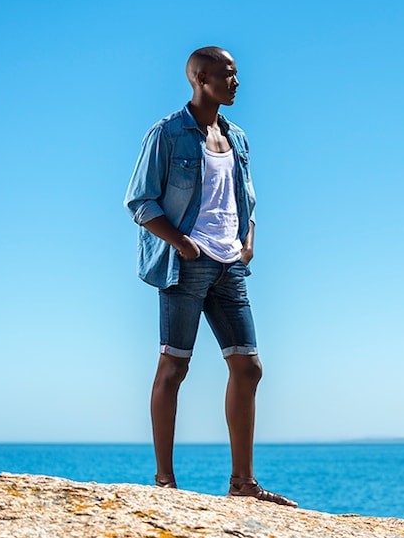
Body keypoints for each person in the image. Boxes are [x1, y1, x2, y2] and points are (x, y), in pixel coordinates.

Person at [124, 46, 296, 507]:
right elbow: (140, 202)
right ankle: (165, 484)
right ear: (201, 79)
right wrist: (181, 243)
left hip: (229, 265)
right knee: (174, 367)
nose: (236, 82)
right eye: (228, 74)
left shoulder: (237, 136)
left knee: (248, 366)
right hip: (185, 263)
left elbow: (248, 199)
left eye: (236, 74)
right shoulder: (167, 133)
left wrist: (248, 242)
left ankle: (243, 484)